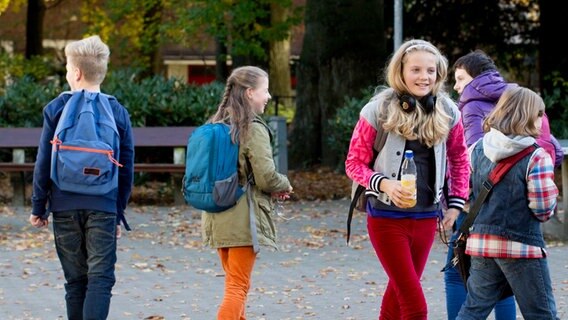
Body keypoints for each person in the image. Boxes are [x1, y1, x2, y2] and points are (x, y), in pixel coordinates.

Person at [345, 39, 470, 319]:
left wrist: (456, 204)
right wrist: (384, 183)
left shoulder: (449, 111)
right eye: (416, 70)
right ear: (400, 71)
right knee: (415, 306)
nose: (424, 77)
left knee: (396, 297)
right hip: (386, 218)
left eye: (431, 71)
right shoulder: (376, 109)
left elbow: (460, 159)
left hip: (426, 217)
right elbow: (353, 163)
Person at [29, 35, 134, 319]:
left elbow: (43, 162)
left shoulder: (56, 108)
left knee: (75, 281)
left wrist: (39, 207)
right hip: (103, 204)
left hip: (63, 204)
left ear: (75, 72)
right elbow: (127, 168)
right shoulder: (117, 112)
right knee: (100, 279)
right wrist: (117, 213)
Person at [456, 86, 559, 320]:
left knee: (473, 310)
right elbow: (543, 210)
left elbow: (464, 193)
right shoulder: (537, 156)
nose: (542, 119)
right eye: (539, 113)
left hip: (481, 244)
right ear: (528, 115)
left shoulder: (477, 149)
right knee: (541, 313)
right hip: (522, 247)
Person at [201, 66, 293, 319]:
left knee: (237, 283)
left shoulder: (217, 123)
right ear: (250, 93)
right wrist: (284, 185)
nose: (269, 96)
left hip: (216, 215)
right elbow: (266, 175)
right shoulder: (251, 127)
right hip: (242, 218)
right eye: (265, 90)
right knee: (237, 286)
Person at [446, 49, 516, 320]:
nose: (456, 86)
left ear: (476, 80)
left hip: (475, 200)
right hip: (512, 199)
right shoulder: (517, 99)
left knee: (455, 271)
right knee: (503, 280)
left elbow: (475, 154)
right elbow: (552, 149)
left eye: (460, 78)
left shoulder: (471, 103)